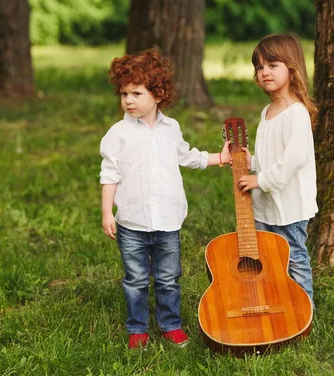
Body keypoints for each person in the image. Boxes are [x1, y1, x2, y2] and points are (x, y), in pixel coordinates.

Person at [99, 48, 231, 349]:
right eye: (124, 94)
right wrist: (108, 212)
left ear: (158, 95)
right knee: (135, 280)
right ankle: (137, 329)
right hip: (131, 223)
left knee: (168, 278)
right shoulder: (118, 134)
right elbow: (110, 174)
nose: (128, 100)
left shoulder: (171, 129)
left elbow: (189, 157)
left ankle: (170, 324)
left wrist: (220, 158)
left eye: (136, 93)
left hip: (168, 222)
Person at [237, 33, 318, 305]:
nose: (264, 72)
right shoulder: (267, 111)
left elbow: (291, 161)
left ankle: (304, 309)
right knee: (268, 258)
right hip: (267, 205)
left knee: (294, 258)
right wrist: (253, 162)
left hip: (290, 207)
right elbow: (270, 154)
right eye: (259, 67)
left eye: (272, 65)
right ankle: (279, 303)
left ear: (292, 68)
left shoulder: (296, 113)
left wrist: (259, 179)